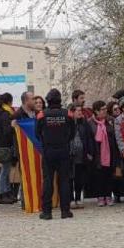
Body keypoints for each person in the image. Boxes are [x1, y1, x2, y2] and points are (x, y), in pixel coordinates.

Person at [37, 89, 75, 220]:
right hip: (64, 150)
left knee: (48, 181)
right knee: (64, 180)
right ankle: (65, 211)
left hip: (48, 151)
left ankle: (47, 212)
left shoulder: (42, 114)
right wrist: (64, 141)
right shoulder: (68, 114)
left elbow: (37, 133)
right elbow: (73, 133)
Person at [88, 101, 116, 206]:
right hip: (96, 152)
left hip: (109, 151)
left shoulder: (110, 120)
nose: (105, 111)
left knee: (109, 174)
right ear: (96, 111)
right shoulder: (90, 122)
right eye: (103, 109)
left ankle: (108, 195)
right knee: (98, 176)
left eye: (105, 109)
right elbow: (88, 138)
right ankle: (100, 196)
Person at [0, 92, 17, 204]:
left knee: (5, 170)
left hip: (1, 145)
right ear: (8, 102)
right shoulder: (5, 114)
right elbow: (7, 131)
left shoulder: (0, 113)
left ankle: (6, 192)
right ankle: (2, 194)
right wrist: (13, 127)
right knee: (5, 171)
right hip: (6, 145)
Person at [69, 102, 94, 208]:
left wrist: (90, 152)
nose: (80, 113)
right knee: (70, 178)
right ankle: (70, 199)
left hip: (81, 155)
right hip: (70, 155)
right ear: (72, 112)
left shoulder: (84, 123)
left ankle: (78, 198)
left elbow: (89, 138)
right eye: (77, 111)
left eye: (81, 111)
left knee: (79, 178)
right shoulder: (68, 123)